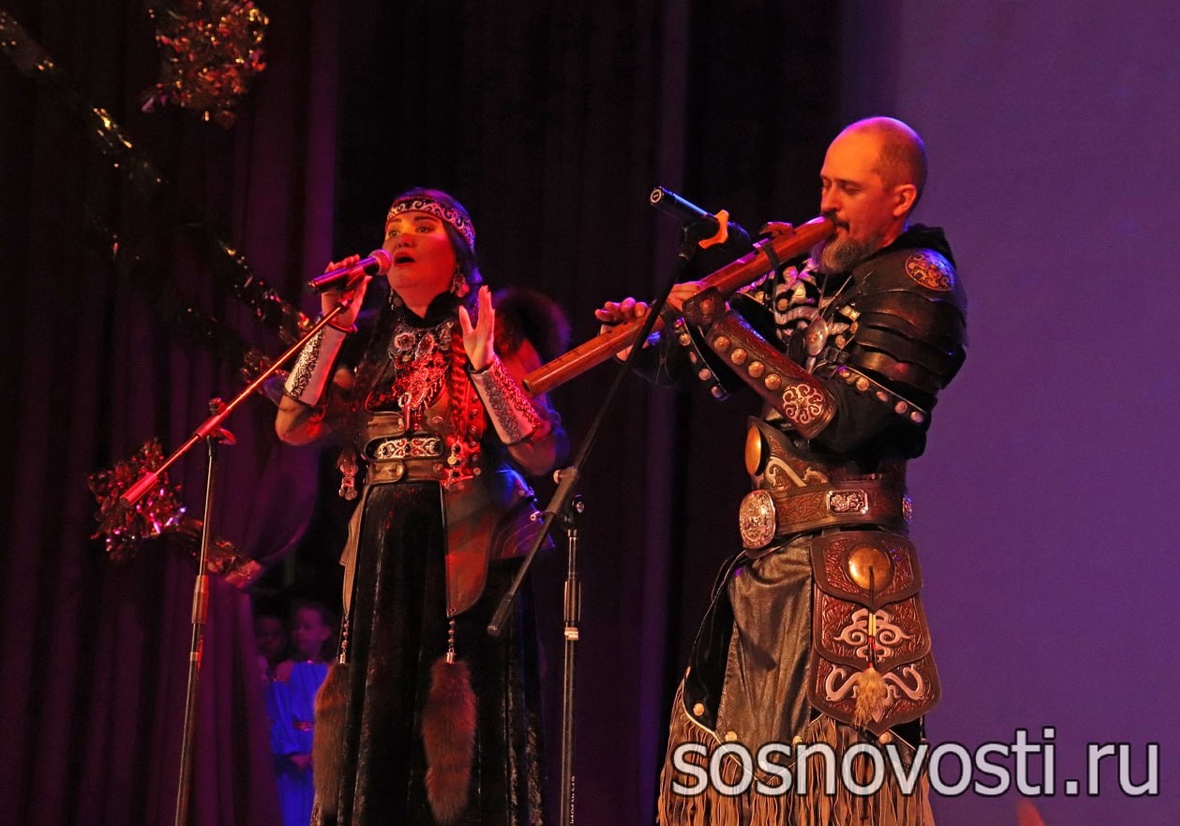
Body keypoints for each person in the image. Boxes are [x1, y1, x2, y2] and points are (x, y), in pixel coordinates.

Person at [597, 117, 966, 823]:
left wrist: (721, 324)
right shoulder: (817, 275)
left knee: (834, 785)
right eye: (824, 184)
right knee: (743, 773)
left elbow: (843, 418)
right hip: (772, 562)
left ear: (900, 198)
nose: (826, 204)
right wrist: (643, 344)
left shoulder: (918, 284)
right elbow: (710, 362)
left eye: (848, 189)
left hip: (846, 567)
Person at [276, 189, 568, 825]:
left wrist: (486, 368)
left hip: (463, 544)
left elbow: (541, 452)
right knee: (378, 703)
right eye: (393, 228)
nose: (401, 237)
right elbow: (292, 425)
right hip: (382, 543)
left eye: (422, 226)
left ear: (459, 254)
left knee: (457, 707)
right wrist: (332, 327)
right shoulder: (363, 341)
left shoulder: (491, 326)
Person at [267, 600, 336, 826]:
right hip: (293, 757)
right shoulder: (285, 670)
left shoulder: (332, 672)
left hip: (322, 750)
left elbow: (335, 716)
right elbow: (277, 714)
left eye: (307, 627)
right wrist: (291, 752)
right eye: (297, 627)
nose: (300, 632)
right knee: (292, 811)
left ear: (325, 632)